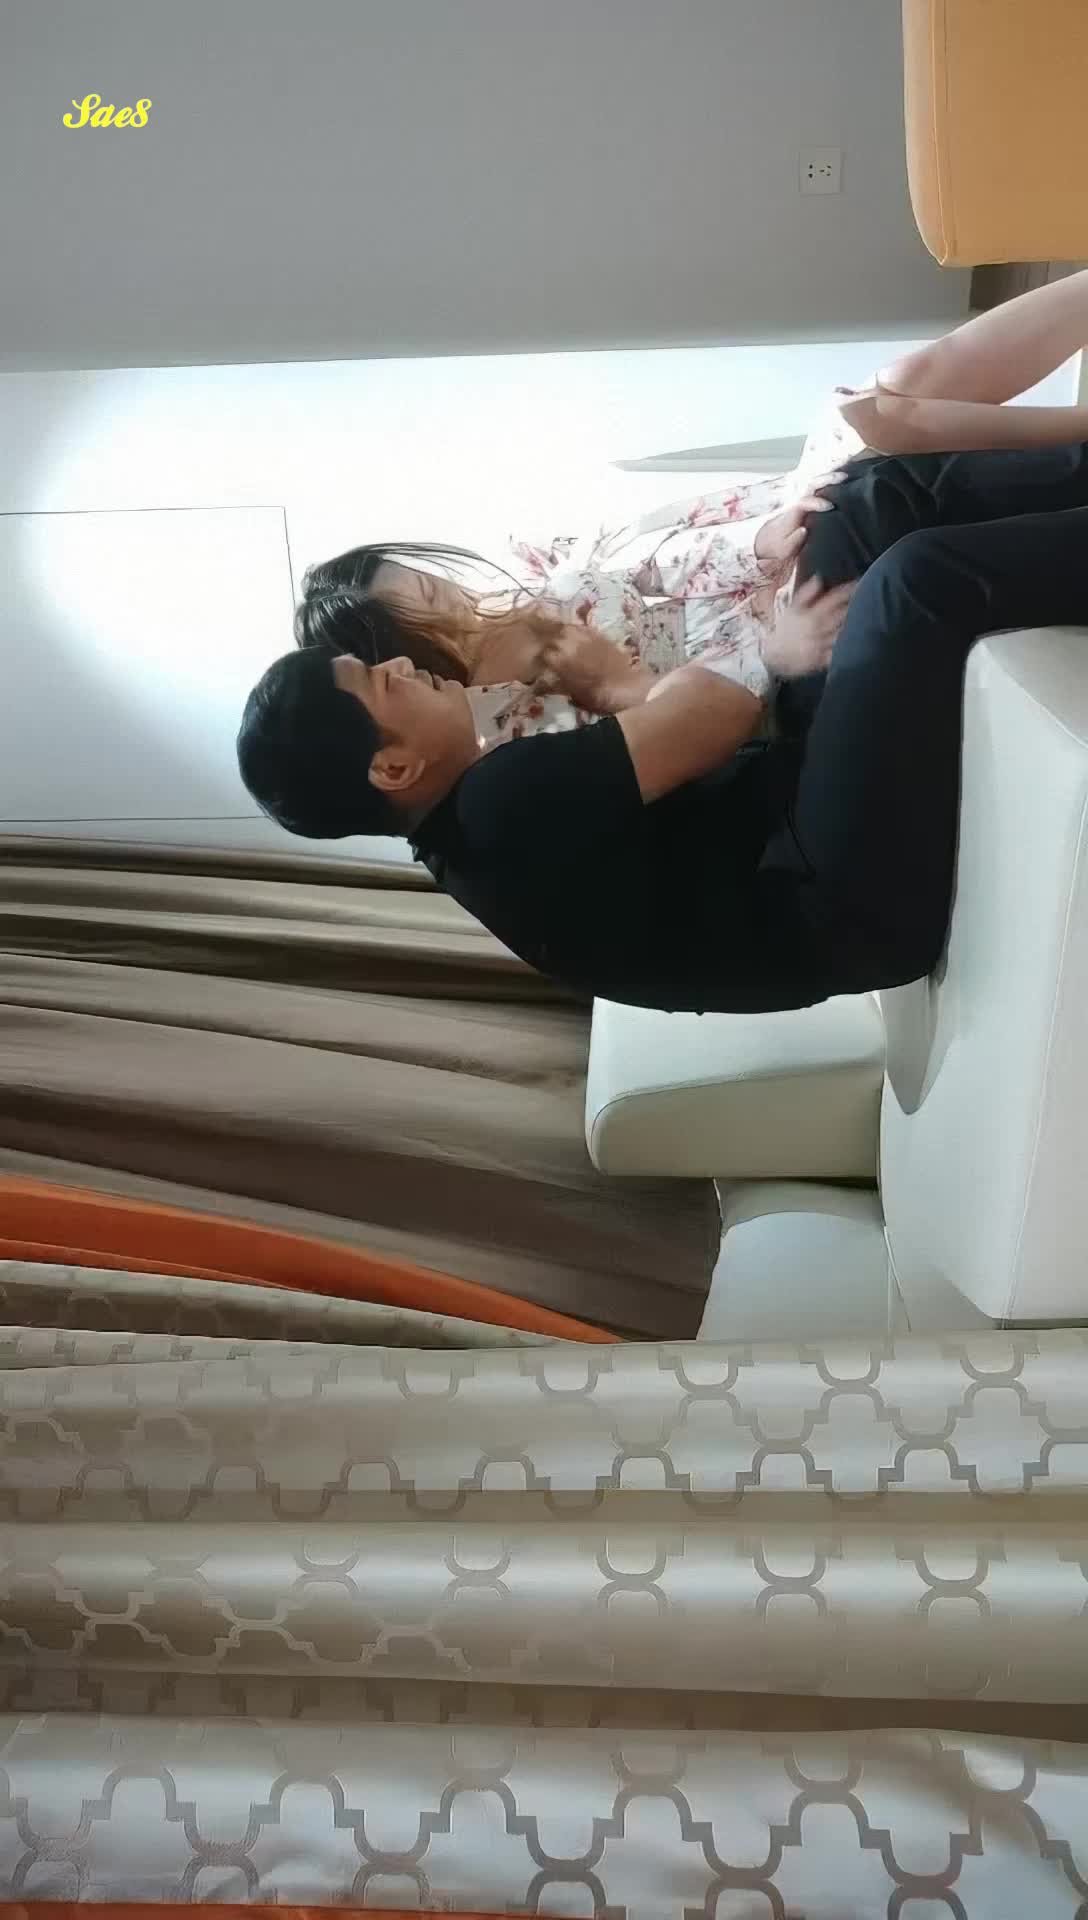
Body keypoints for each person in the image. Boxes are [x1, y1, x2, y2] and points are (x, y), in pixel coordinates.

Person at [238, 442, 1088, 1016]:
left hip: (797, 813)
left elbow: (712, 721)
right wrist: (643, 678)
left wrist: (752, 645)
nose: (397, 666)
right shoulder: (496, 808)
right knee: (908, 586)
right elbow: (715, 717)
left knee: (856, 505)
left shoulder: (483, 808)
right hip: (843, 902)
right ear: (391, 768)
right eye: (376, 683)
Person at [295, 269, 1088, 731]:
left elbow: (653, 559)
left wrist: (759, 544)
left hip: (769, 573)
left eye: (434, 580)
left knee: (876, 405)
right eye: (429, 608)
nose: (456, 597)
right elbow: (689, 730)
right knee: (873, 444)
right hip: (775, 664)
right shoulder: (516, 725)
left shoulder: (529, 579)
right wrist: (765, 653)